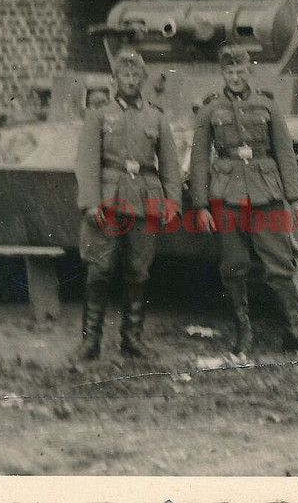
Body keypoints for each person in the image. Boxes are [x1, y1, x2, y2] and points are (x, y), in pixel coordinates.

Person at [188, 46, 298, 355]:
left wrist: (295, 198)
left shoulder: (267, 105)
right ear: (223, 74)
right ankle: (244, 333)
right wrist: (201, 205)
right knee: (233, 266)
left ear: (249, 72)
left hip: (265, 193)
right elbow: (200, 160)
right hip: (227, 195)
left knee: (279, 263)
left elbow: (285, 152)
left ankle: (292, 330)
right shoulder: (209, 110)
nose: (234, 78)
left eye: (240, 72)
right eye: (229, 73)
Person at [73, 47, 183, 361]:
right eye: (125, 75)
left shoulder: (156, 118)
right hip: (108, 202)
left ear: (143, 80)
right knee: (100, 270)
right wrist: (91, 202)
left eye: (136, 75)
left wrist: (172, 204)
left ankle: (132, 339)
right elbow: (87, 162)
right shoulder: (100, 115)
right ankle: (89, 342)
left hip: (145, 203)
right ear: (115, 79)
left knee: (138, 272)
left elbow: (171, 166)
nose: (131, 80)